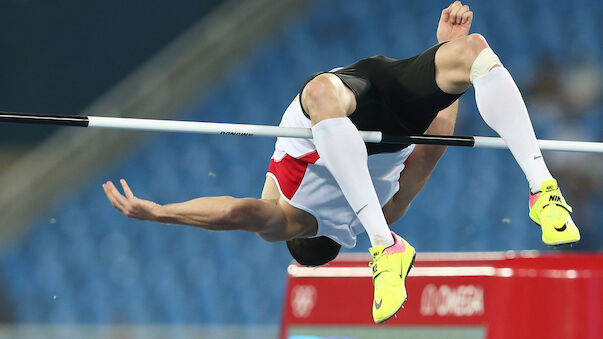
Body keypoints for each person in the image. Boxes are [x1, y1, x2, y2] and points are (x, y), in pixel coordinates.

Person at [103, 1, 580, 324]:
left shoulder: (392, 210)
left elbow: (434, 144)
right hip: (357, 98)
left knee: (470, 56)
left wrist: (442, 61)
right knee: (473, 55)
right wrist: (159, 213)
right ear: (299, 237)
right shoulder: (291, 215)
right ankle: (539, 186)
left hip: (384, 107)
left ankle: (541, 191)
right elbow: (238, 212)